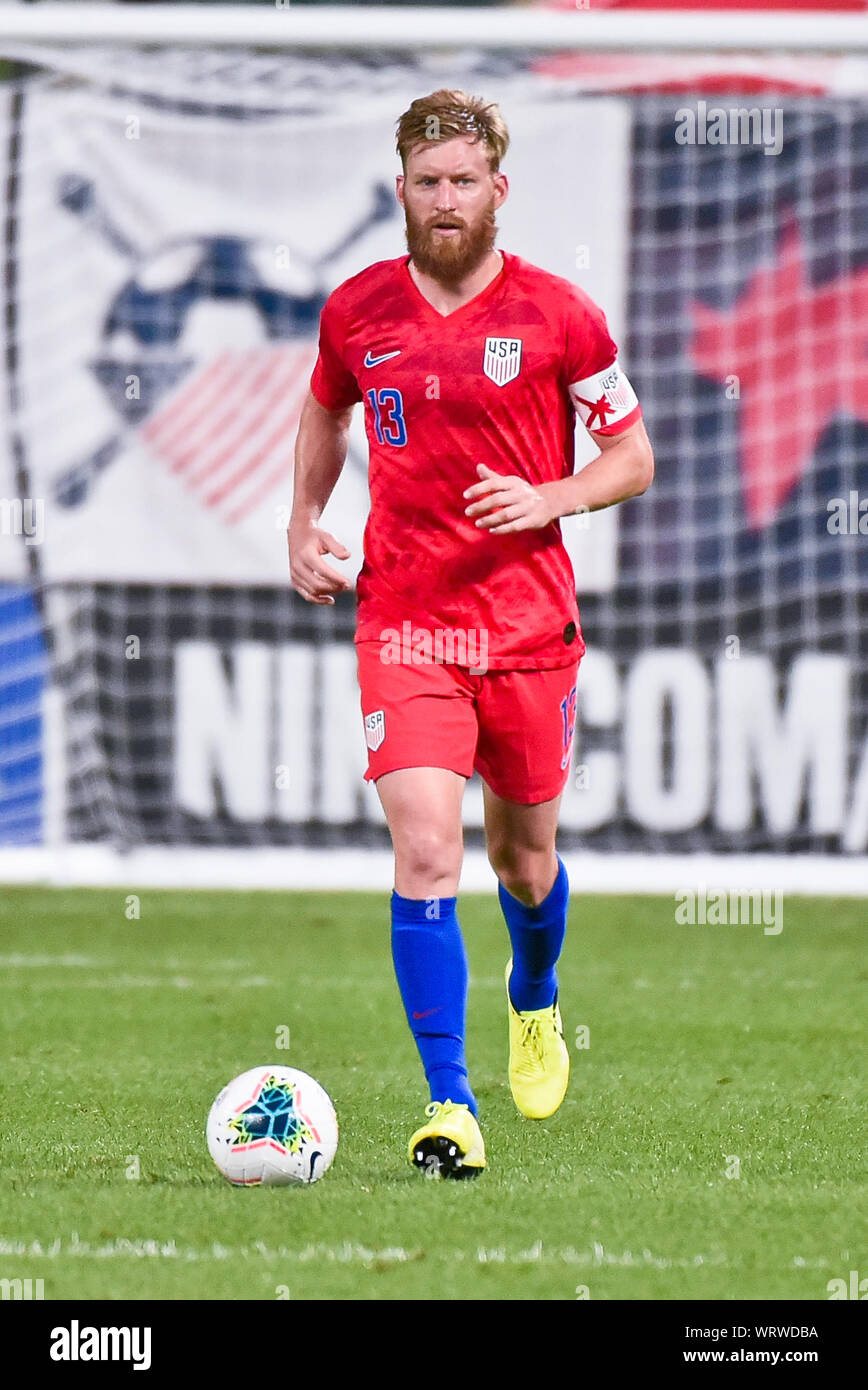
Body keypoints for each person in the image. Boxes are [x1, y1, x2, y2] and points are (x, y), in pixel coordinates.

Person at [289, 89, 653, 1178]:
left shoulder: (561, 316)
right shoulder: (356, 310)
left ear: (500, 190)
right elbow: (325, 407)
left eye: (464, 182)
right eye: (426, 182)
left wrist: (553, 497)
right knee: (427, 851)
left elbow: (632, 457)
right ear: (399, 189)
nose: (445, 201)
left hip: (528, 631)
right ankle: (451, 1104)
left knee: (525, 862)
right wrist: (303, 523)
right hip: (405, 624)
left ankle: (533, 995)